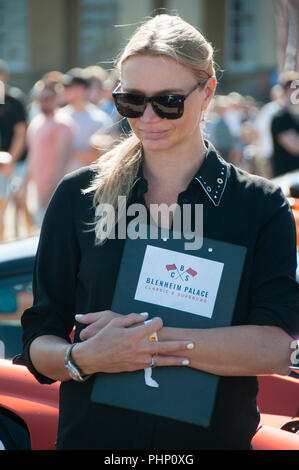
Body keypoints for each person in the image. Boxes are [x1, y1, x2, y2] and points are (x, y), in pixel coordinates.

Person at [16, 14, 298, 450]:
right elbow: (38, 340)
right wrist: (83, 357)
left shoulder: (258, 206)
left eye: (168, 101)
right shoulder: (79, 196)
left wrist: (144, 342)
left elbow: (277, 347)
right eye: (130, 102)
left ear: (207, 92)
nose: (147, 117)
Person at [22, 79, 74, 226]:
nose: (44, 102)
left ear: (56, 99)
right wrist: (24, 185)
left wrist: (50, 190)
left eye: (48, 98)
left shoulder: (63, 123)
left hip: (54, 192)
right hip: (37, 191)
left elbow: (63, 160)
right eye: (41, 98)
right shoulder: (36, 122)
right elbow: (32, 156)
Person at [58, 68, 113, 172]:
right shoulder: (59, 115)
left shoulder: (99, 119)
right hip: (58, 181)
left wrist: (71, 152)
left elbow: (103, 157)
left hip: (86, 181)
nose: (65, 90)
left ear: (82, 88)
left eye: (69, 86)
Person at [0, 59, 31, 240]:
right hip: (1, 163)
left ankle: (27, 243)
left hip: (17, 163)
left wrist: (11, 159)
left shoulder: (14, 100)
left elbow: (21, 133)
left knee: (21, 203)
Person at [270, 70, 299, 177]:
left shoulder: (295, 116)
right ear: (286, 91)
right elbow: (295, 147)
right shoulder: (280, 118)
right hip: (287, 179)